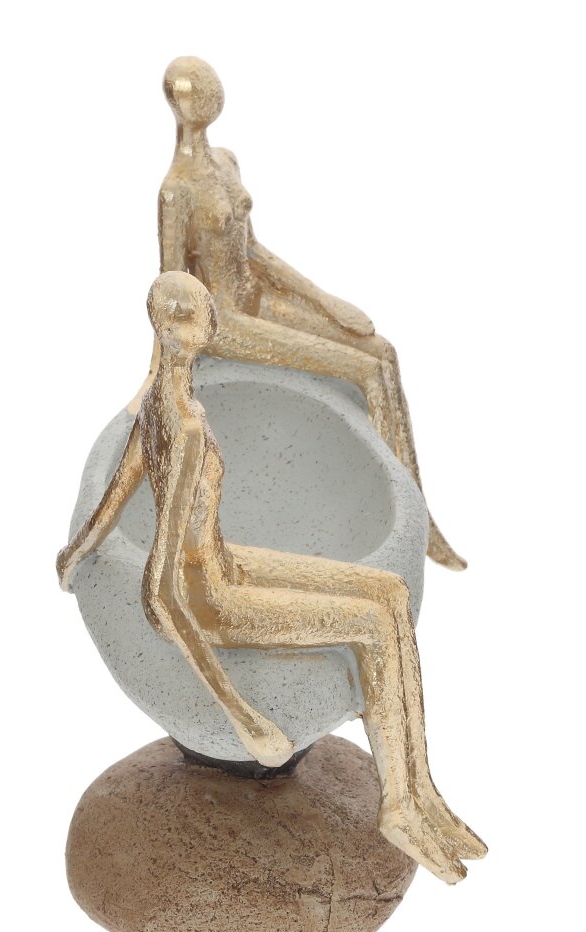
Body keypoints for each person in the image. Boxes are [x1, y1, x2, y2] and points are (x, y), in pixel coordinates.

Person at [59, 271, 486, 882]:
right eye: (198, 314)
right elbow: (164, 591)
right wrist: (242, 714)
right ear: (181, 328)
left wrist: (75, 553)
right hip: (209, 598)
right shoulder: (183, 428)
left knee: (389, 591)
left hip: (224, 563)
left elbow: (117, 492)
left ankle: (417, 793)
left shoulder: (159, 403)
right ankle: (400, 805)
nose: (211, 320)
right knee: (374, 623)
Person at [131, 56, 466, 571]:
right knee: (362, 370)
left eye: (211, 88)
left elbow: (256, 252)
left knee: (381, 352)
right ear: (179, 104)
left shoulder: (226, 161)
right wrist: (158, 376)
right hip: (226, 323)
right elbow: (171, 291)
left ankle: (417, 516)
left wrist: (327, 303)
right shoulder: (175, 190)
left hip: (257, 297)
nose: (209, 98)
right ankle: (407, 525)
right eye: (198, 92)